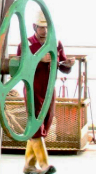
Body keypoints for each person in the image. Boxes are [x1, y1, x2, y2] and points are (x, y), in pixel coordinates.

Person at [18, 11, 73, 174]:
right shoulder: (26, 45)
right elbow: (18, 68)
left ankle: (28, 166)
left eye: (47, 27)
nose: (45, 31)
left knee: (46, 124)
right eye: (41, 27)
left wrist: (68, 65)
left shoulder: (56, 43)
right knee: (35, 127)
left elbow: (62, 66)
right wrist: (38, 59)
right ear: (34, 27)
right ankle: (44, 165)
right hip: (32, 89)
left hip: (49, 90)